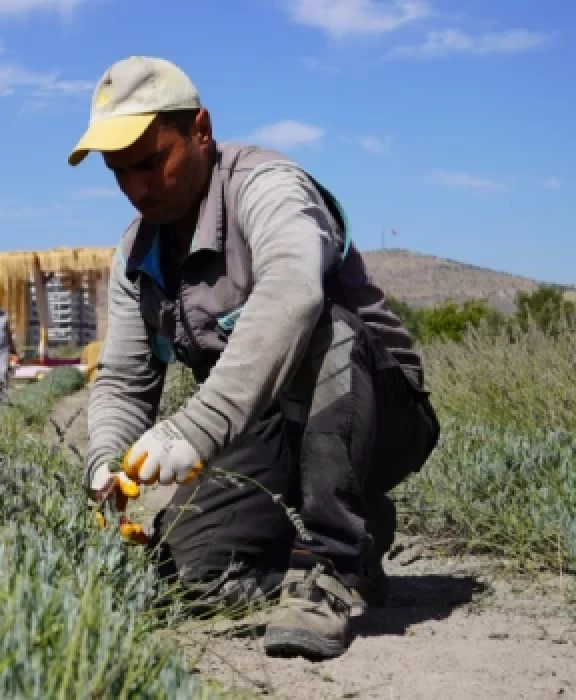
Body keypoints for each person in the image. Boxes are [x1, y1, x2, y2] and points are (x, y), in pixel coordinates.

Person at [70, 56, 440, 660]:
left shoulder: (266, 187)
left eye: (148, 162)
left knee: (318, 325)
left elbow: (293, 291)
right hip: (268, 430)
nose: (136, 188)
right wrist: (107, 459)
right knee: (188, 572)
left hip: (378, 414)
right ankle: (358, 537)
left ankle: (330, 565)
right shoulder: (137, 252)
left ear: (201, 130)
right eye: (118, 172)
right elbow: (125, 380)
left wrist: (193, 430)